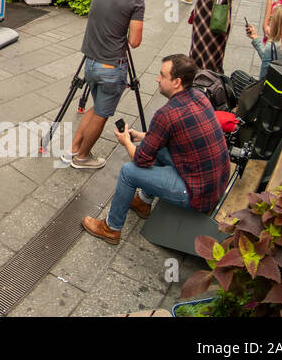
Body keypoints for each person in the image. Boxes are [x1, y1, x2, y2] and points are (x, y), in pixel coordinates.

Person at [83, 54, 231, 245]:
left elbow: (141, 159)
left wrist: (126, 142)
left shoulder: (166, 114)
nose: (157, 79)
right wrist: (140, 136)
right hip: (215, 181)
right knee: (158, 148)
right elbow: (170, 135)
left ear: (177, 82)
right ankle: (143, 202)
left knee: (128, 172)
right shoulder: (199, 96)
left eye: (162, 75)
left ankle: (111, 228)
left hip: (198, 194)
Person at [61, 0, 145, 169]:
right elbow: (135, 41)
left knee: (97, 107)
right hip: (112, 65)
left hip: (90, 62)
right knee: (101, 114)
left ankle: (73, 150)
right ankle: (82, 158)